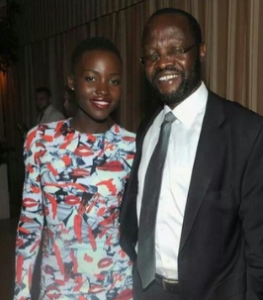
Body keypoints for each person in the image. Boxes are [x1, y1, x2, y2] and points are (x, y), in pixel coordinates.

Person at [120, 7, 263, 300]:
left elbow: (259, 245)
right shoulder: (148, 127)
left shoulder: (245, 131)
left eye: (175, 49)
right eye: (152, 55)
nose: (163, 62)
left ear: (200, 51)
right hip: (147, 288)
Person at [14, 37, 135, 300]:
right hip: (58, 289)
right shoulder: (40, 141)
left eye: (113, 81)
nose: (103, 89)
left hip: (116, 286)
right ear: (71, 81)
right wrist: (21, 292)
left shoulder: (133, 147)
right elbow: (30, 224)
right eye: (91, 78)